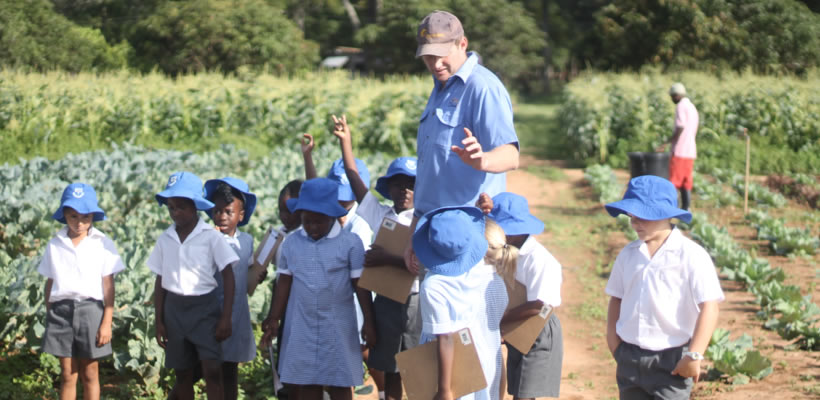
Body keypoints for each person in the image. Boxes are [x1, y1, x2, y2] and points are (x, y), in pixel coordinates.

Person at [405, 10, 520, 271]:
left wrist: (483, 160)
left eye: (441, 55)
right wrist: (415, 231)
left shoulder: (482, 88)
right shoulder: (440, 87)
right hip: (433, 232)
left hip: (469, 237)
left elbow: (511, 155)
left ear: (462, 44)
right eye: (428, 57)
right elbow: (430, 172)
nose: (435, 64)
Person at [604, 175, 724, 399]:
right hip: (629, 356)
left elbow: (710, 306)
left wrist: (694, 354)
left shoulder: (691, 256)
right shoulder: (628, 254)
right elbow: (616, 298)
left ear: (666, 215)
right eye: (631, 215)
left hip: (672, 361)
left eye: (642, 216)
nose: (634, 222)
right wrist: (614, 342)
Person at [260, 178, 377, 400]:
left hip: (339, 324)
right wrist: (273, 318)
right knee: (307, 382)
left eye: (319, 222)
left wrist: (369, 322)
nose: (312, 227)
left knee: (339, 381)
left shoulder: (350, 243)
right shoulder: (292, 243)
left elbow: (360, 286)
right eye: (307, 221)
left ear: (333, 216)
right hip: (302, 323)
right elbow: (284, 282)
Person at [331, 114, 420, 400]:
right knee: (391, 368)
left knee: (419, 370)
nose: (404, 189)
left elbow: (422, 267)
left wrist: (387, 260)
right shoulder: (381, 215)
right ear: (388, 188)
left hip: (418, 301)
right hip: (386, 301)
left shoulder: (426, 220)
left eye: (411, 184)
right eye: (398, 183)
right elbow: (356, 182)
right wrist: (347, 143)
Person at [148, 172, 239, 400]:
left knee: (212, 370)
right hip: (174, 309)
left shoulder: (211, 236)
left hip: (204, 309)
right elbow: (160, 281)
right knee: (183, 373)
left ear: (196, 206)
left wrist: (225, 317)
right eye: (171, 208)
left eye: (181, 207)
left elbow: (228, 275)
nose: (176, 213)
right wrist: (159, 320)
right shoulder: (165, 239)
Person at [39, 183, 125, 400]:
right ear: (64, 215)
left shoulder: (103, 243)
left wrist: (106, 321)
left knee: (90, 372)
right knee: (68, 374)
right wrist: (50, 312)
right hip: (61, 311)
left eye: (85, 217)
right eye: (73, 216)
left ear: (93, 216)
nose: (79, 222)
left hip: (91, 312)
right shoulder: (55, 244)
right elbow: (50, 282)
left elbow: (108, 286)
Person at [413, 205, 504, 400]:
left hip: (449, 367)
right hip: (481, 353)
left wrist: (444, 389)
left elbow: (445, 338)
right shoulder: (481, 270)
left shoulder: (433, 286)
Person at [488, 192, 564, 399]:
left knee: (525, 392)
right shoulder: (505, 251)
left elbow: (539, 305)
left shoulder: (539, 260)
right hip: (516, 324)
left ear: (516, 232)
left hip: (538, 328)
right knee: (518, 387)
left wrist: (500, 321)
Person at [204, 177, 258, 400]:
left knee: (230, 370)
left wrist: (258, 276)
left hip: (237, 316)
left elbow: (248, 274)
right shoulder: (207, 240)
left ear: (241, 215)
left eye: (228, 211)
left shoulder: (246, 241)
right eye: (217, 211)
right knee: (208, 371)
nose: (222, 217)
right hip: (210, 315)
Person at [660, 82, 699, 210]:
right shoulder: (692, 107)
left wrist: (668, 142)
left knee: (674, 182)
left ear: (676, 96)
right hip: (690, 151)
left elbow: (680, 126)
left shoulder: (681, 106)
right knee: (686, 182)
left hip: (680, 150)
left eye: (672, 97)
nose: (672, 99)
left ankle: (671, 209)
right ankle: (685, 209)